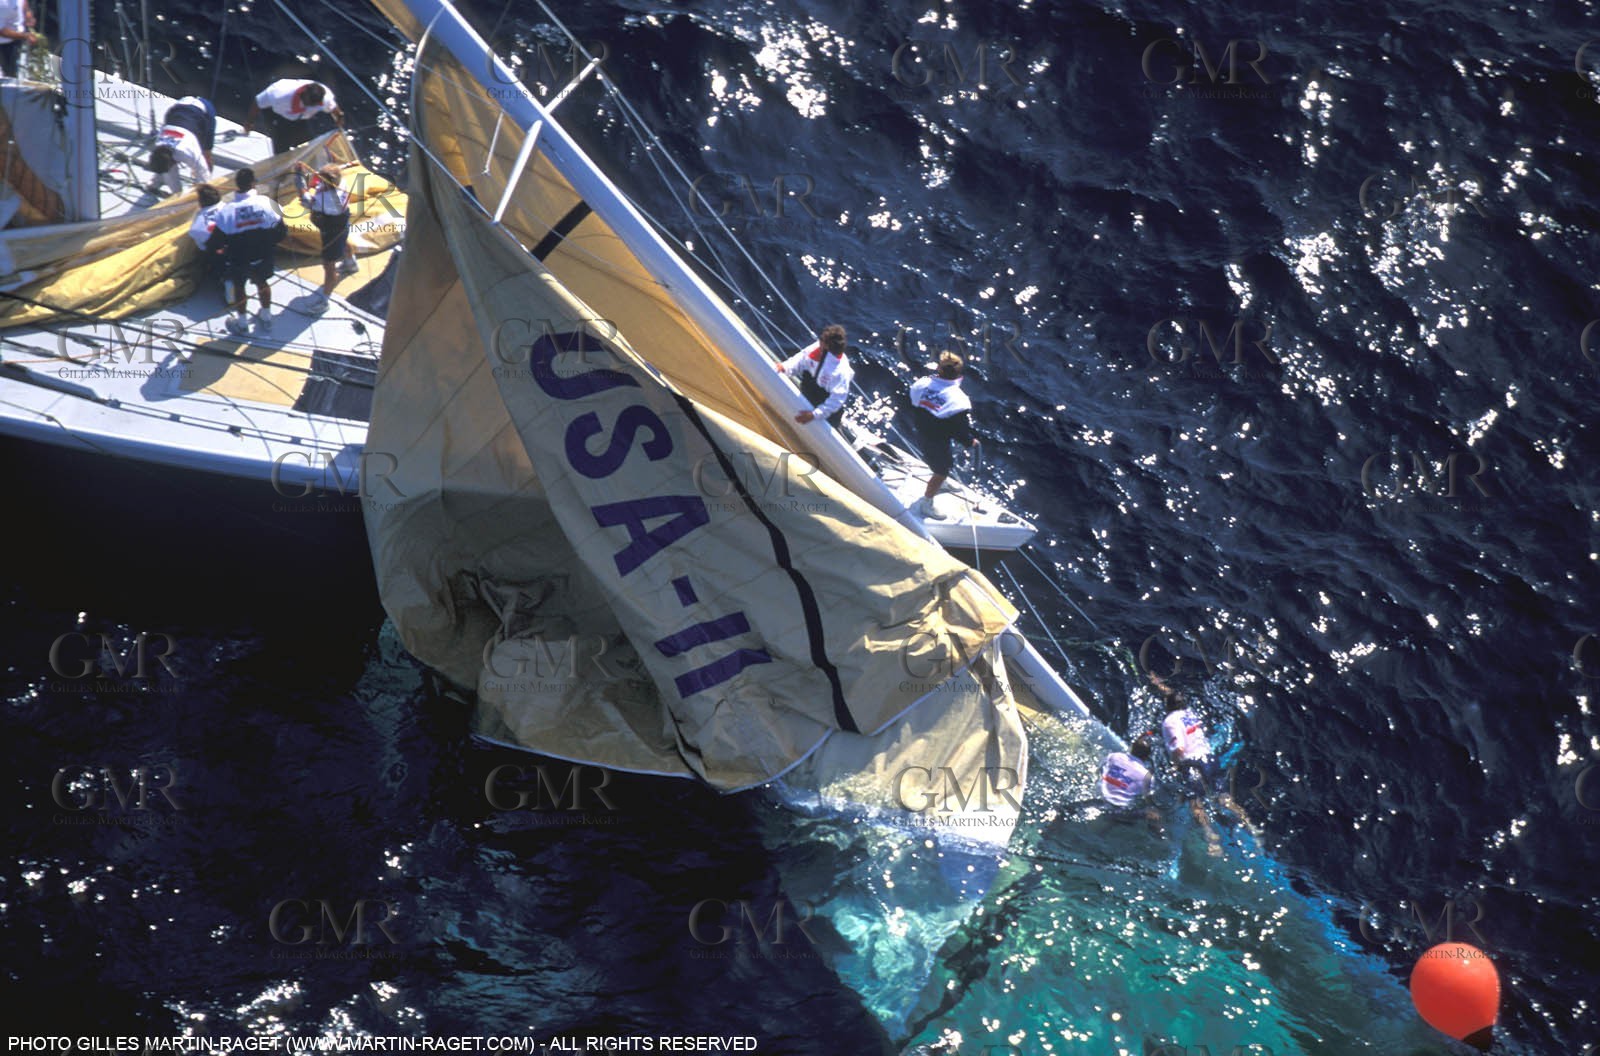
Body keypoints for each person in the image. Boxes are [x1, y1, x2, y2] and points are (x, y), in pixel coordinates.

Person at [206, 167, 286, 335]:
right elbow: (281, 232)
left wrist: (219, 252)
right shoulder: (267, 203)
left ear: (237, 185)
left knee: (239, 287)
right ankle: (266, 316)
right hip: (263, 255)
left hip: (239, 258)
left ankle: (242, 323)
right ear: (253, 183)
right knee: (262, 283)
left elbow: (214, 243)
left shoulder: (226, 212)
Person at [908, 351, 978, 520]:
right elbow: (959, 429)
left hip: (921, 431)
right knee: (942, 469)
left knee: (940, 463)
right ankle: (927, 502)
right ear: (959, 374)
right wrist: (970, 442)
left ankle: (941, 482)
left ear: (938, 368)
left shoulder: (921, 383)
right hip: (936, 440)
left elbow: (914, 404)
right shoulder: (959, 400)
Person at [293, 161, 359, 310]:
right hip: (342, 220)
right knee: (343, 238)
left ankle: (324, 301)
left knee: (329, 266)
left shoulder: (327, 199)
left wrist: (299, 178)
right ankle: (351, 263)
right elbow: (332, 173)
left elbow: (305, 199)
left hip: (331, 228)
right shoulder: (341, 182)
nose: (318, 178)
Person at [776, 324, 852, 427]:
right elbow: (801, 359)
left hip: (825, 413)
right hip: (807, 395)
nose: (818, 342)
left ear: (827, 347)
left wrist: (814, 415)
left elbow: (836, 400)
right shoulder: (818, 347)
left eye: (822, 341)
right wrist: (785, 367)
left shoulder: (840, 372)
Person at [244, 79, 344, 153]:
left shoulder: (324, 99)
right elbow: (257, 103)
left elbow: (337, 112)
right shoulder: (279, 94)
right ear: (303, 93)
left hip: (300, 117)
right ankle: (281, 177)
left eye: (314, 105)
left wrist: (339, 120)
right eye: (309, 103)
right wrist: (249, 122)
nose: (311, 106)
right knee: (282, 145)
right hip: (278, 115)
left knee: (307, 145)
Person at [147, 96, 216, 195]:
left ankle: (159, 178)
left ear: (172, 162)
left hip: (203, 112)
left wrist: (204, 193)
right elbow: (171, 174)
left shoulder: (186, 152)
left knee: (206, 155)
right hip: (176, 111)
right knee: (166, 170)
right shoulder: (157, 146)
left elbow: (202, 171)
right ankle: (157, 179)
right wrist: (178, 195)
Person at [1099, 734, 1155, 808]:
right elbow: (1147, 798)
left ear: (1131, 749)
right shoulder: (1147, 776)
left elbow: (1100, 769)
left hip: (1104, 794)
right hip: (1123, 805)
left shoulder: (1114, 756)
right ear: (1146, 758)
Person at [0, 0, 38, 79]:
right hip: (4, 45)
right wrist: (25, 36)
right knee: (9, 76)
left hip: (19, 39)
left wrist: (27, 13)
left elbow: (23, 2)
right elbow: (1, 31)